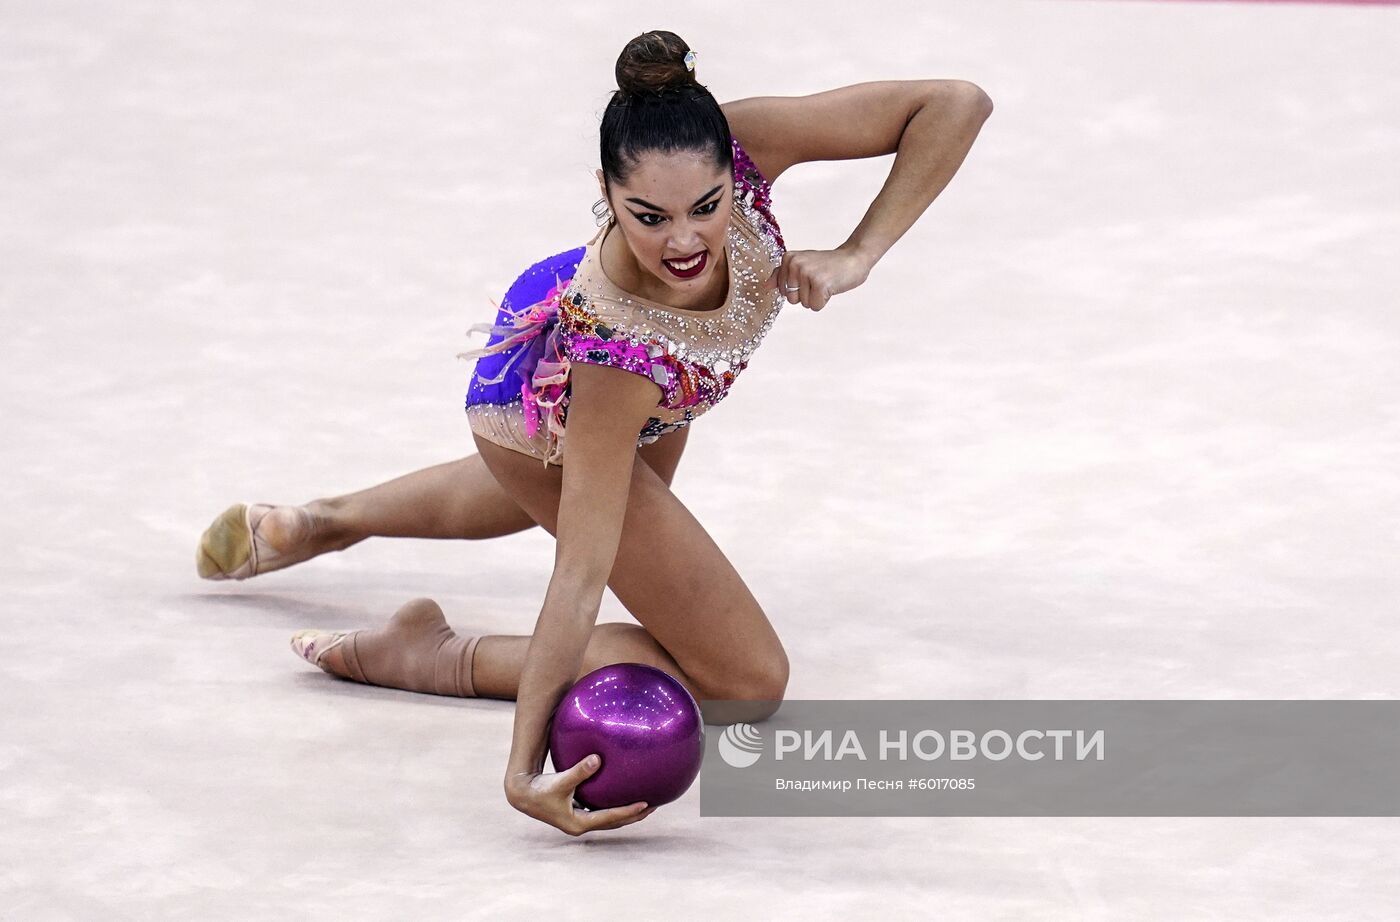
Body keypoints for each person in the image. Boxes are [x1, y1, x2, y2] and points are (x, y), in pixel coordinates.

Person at [194, 30, 993, 836]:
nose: (684, 241)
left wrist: (861, 252)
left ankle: (323, 522)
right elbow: (582, 575)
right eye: (649, 217)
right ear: (606, 195)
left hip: (666, 391)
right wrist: (518, 773)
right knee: (744, 679)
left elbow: (955, 103)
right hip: (563, 388)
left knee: (582, 502)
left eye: (706, 207)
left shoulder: (737, 143)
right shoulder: (615, 354)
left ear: (728, 168)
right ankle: (428, 653)